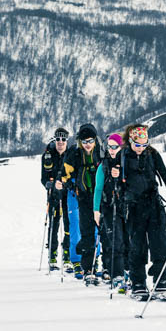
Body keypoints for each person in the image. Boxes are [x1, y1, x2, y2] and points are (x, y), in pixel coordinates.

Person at [120, 124, 166, 300]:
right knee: (137, 246)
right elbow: (115, 181)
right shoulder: (123, 156)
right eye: (137, 144)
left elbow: (164, 175)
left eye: (144, 144)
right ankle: (138, 282)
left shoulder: (152, 154)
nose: (141, 148)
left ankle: (161, 280)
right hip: (133, 206)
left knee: (160, 243)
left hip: (153, 204)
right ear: (130, 141)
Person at [60, 123, 102, 285]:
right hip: (81, 196)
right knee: (84, 230)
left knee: (100, 230)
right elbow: (64, 174)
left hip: (98, 197)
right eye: (84, 142)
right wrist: (70, 184)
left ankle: (97, 260)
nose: (88, 145)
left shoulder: (101, 152)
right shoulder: (74, 154)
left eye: (90, 141)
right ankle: (85, 266)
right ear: (80, 142)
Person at [94, 133, 128, 287]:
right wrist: (96, 210)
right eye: (110, 147)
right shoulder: (103, 166)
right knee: (115, 240)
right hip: (109, 207)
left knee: (128, 240)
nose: (112, 150)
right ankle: (117, 274)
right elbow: (98, 189)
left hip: (125, 206)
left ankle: (128, 271)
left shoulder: (127, 162)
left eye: (115, 147)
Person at [41, 126, 71, 270]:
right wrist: (51, 184)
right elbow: (43, 178)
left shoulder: (71, 154)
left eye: (63, 139)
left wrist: (65, 184)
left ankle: (67, 254)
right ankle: (52, 255)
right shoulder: (48, 155)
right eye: (58, 139)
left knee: (69, 224)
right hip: (53, 195)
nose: (60, 142)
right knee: (53, 224)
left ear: (67, 140)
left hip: (68, 194)